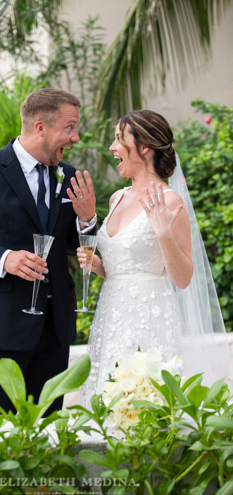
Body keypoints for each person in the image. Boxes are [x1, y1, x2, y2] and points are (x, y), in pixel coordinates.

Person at [0, 88, 97, 417]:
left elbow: (73, 244)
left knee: (49, 431)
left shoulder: (69, 176)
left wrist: (86, 219)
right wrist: (4, 259)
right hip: (1, 324)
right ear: (40, 127)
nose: (76, 137)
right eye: (69, 128)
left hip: (55, 327)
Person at [78, 110, 231, 403]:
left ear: (144, 146)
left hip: (149, 319)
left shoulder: (171, 202)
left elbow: (183, 279)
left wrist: (163, 231)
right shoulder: (116, 198)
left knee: (145, 404)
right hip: (111, 316)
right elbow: (125, 267)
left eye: (119, 139)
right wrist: (99, 266)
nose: (112, 148)